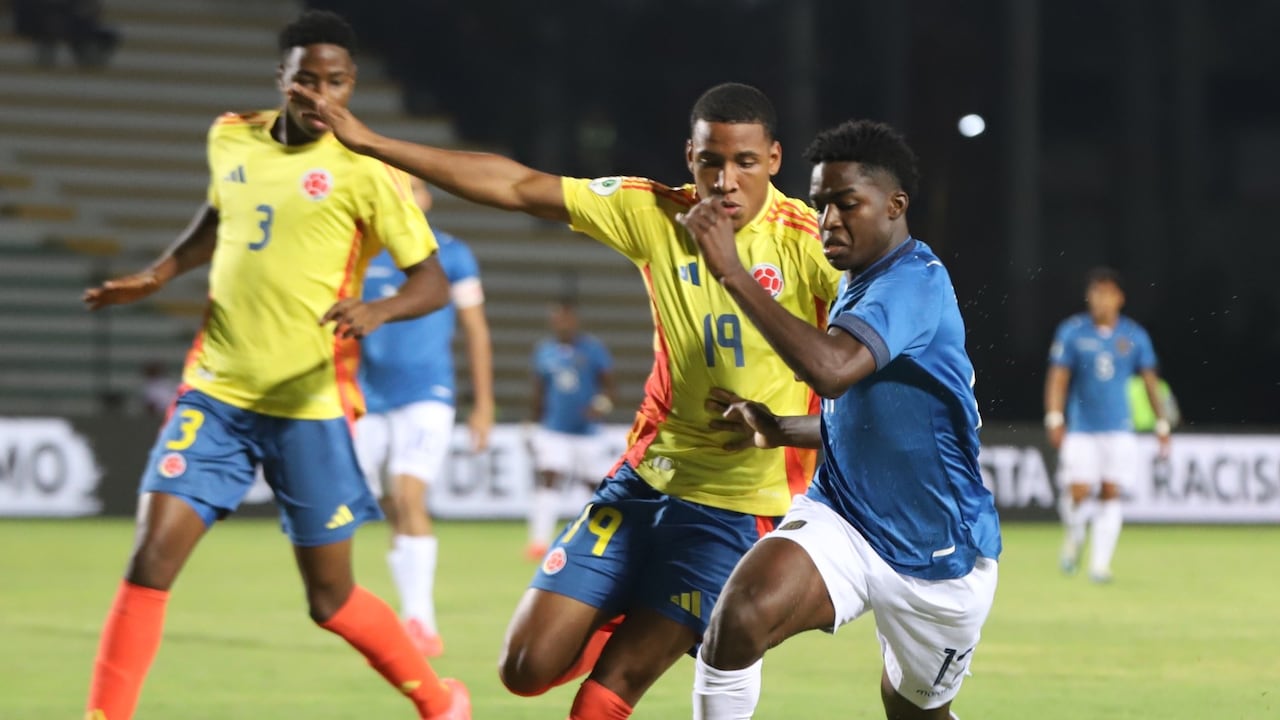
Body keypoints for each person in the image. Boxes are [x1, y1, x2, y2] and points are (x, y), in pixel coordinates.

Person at [290, 80, 843, 718]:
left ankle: (650, 611)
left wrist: (792, 427)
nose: (725, 180)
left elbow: (868, 369)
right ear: (688, 157)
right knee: (524, 670)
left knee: (603, 699)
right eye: (710, 161)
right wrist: (371, 142)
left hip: (740, 509)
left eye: (744, 162)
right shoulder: (655, 213)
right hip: (643, 483)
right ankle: (637, 599)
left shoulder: (810, 243)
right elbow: (519, 186)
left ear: (773, 160)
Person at [79, 11, 470, 720]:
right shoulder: (231, 135)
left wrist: (377, 310)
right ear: (283, 81)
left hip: (310, 406)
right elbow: (219, 217)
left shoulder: (368, 172)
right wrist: (160, 272)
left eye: (337, 82)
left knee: (330, 600)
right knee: (150, 560)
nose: (321, 96)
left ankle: (440, 701)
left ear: (352, 85)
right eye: (307, 81)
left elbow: (432, 282)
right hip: (216, 392)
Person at [679, 119, 1002, 720]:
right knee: (739, 616)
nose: (827, 220)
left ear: (894, 205)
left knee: (913, 714)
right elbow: (869, 418)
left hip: (937, 554)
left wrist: (731, 271)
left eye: (846, 204)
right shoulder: (862, 281)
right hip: (845, 516)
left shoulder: (913, 283)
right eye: (821, 203)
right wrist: (783, 429)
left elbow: (832, 371)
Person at [355, 176, 495, 659]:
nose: (405, 197)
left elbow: (475, 330)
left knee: (409, 494)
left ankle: (420, 620)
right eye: (396, 190)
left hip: (426, 394)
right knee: (383, 500)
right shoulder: (362, 251)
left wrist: (484, 403)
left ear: (425, 197)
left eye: (412, 188)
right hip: (368, 395)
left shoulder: (452, 254)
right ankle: (411, 605)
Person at [1045, 266, 1171, 582]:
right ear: (1089, 297)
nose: (1102, 300)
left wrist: (1162, 424)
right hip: (1082, 428)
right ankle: (1074, 539)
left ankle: (1100, 564)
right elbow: (1058, 379)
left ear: (1120, 298)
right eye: (1097, 292)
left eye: (1108, 293)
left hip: (1119, 428)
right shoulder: (1072, 331)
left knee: (1111, 491)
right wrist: (1055, 416)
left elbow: (1150, 382)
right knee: (1077, 491)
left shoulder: (1134, 335)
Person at [524, 299, 616, 560]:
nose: (562, 324)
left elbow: (609, 387)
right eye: (557, 319)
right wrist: (532, 423)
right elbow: (538, 391)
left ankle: (599, 539)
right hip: (554, 429)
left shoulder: (593, 349)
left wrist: (601, 406)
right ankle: (538, 542)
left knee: (594, 486)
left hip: (588, 431)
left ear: (575, 321)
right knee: (550, 476)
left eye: (566, 318)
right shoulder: (545, 352)